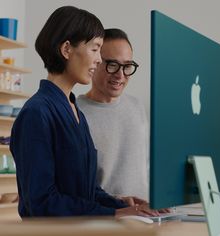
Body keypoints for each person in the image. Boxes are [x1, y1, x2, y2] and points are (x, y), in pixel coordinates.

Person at [10, 6, 159, 218]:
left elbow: (86, 191)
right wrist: (113, 214)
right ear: (67, 49)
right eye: (95, 48)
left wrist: (120, 205)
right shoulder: (36, 113)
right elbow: (41, 202)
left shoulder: (74, 109)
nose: (99, 59)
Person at [77, 29, 149, 204]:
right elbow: (74, 185)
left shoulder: (137, 106)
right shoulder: (75, 112)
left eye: (127, 66)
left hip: (147, 217)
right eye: (112, 65)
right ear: (95, 63)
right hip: (104, 219)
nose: (120, 74)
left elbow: (145, 167)